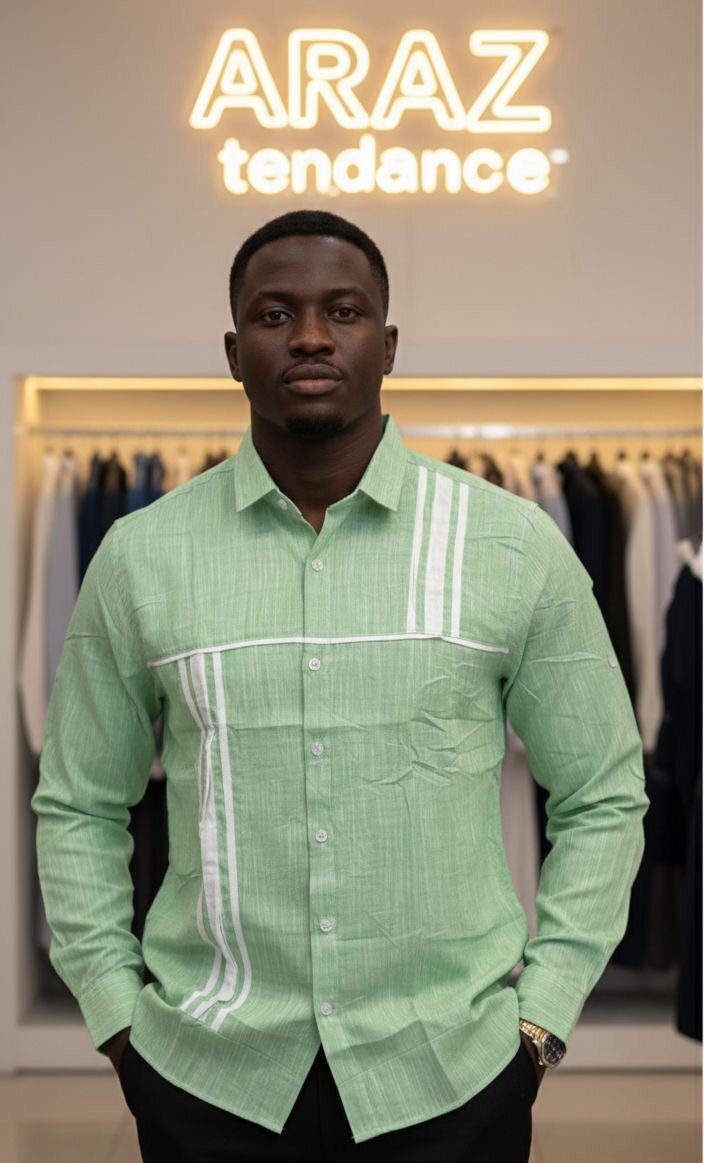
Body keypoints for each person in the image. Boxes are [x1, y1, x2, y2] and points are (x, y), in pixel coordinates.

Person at [32, 210, 649, 1162]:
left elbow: (603, 792)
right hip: (209, 1077)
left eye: (344, 311)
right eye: (275, 314)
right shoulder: (140, 556)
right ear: (234, 353)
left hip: (453, 1075)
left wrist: (539, 1021)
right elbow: (78, 801)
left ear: (388, 345)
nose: (312, 336)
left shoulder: (513, 545)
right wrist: (119, 1017)